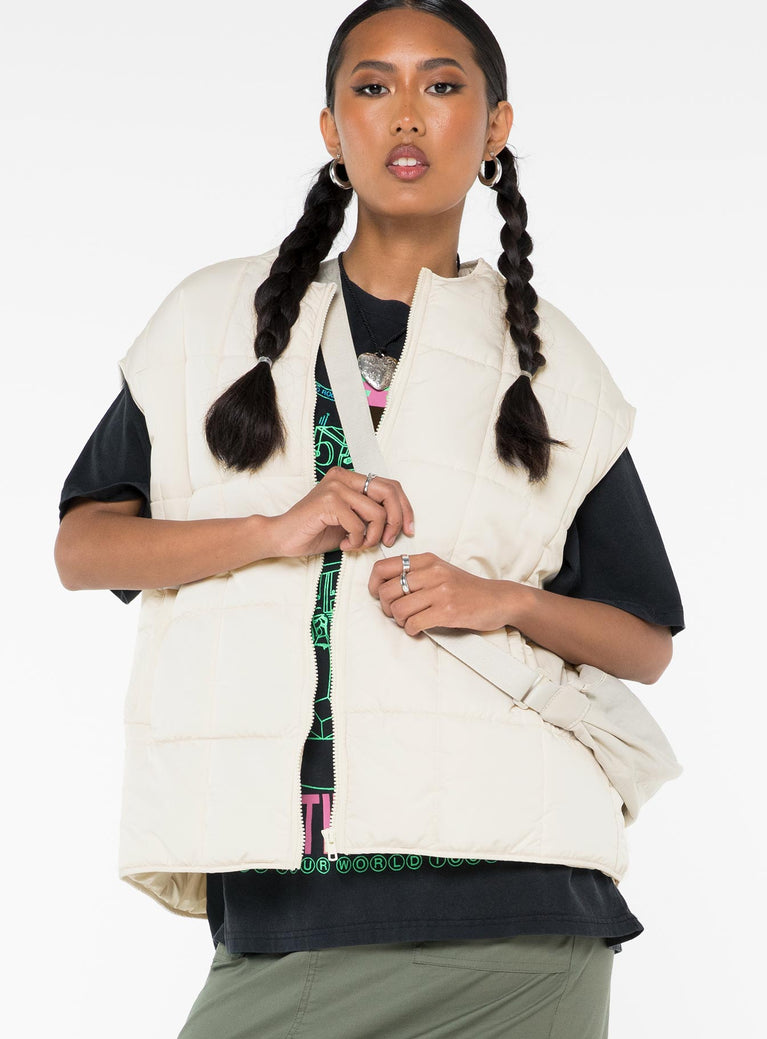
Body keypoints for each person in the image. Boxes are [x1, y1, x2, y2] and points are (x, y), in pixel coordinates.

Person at [54, 1, 685, 1036]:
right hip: (290, 903)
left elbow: (643, 640)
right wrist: (271, 530)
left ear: (493, 127)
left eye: (441, 85)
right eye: (372, 85)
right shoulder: (209, 321)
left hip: (522, 913)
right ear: (330, 126)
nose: (406, 114)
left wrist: (499, 600)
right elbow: (85, 548)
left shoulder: (555, 368)